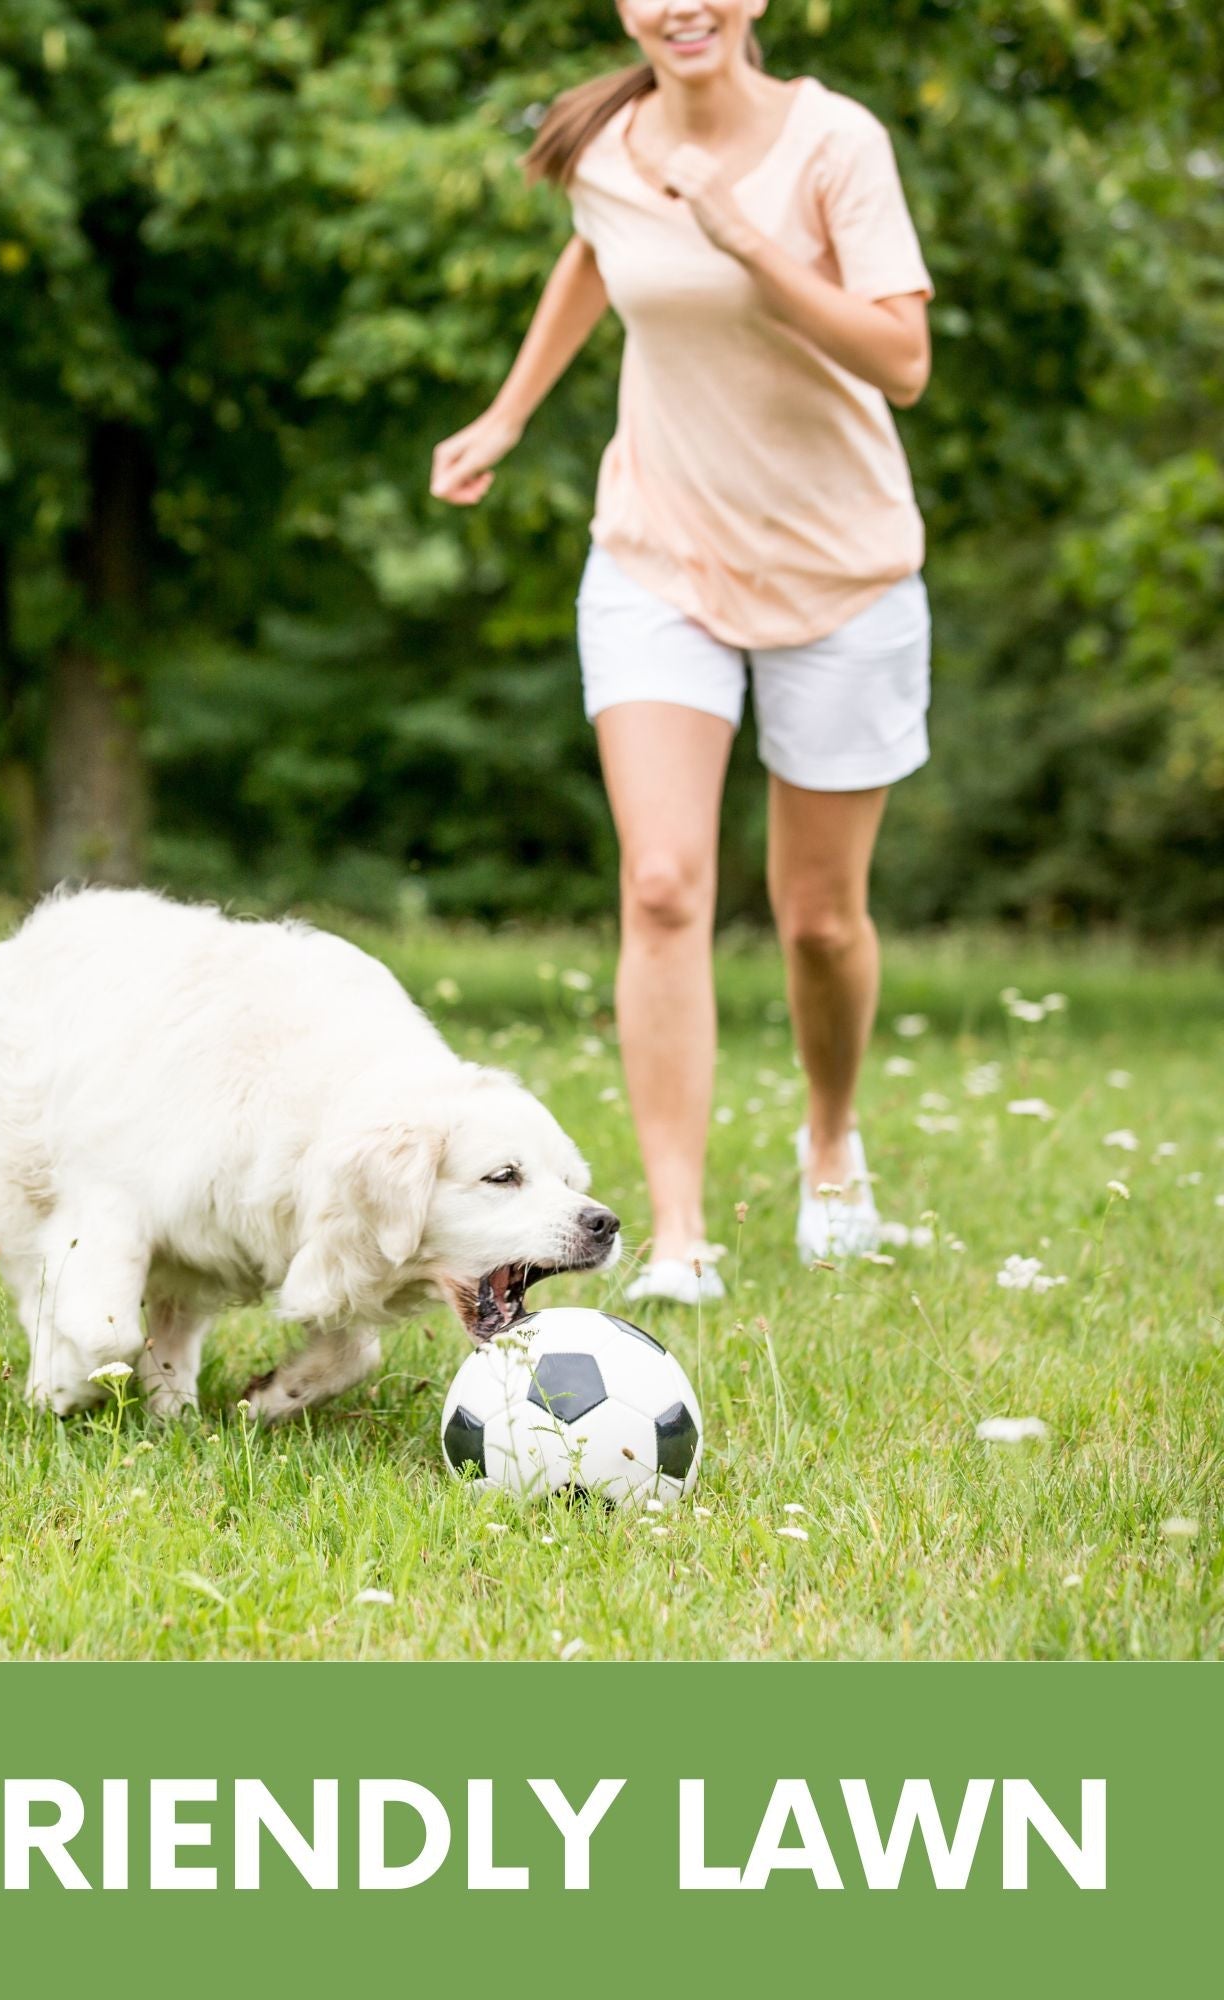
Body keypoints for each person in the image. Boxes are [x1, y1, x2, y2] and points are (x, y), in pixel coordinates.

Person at [431, 0, 934, 1305]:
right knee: (659, 884)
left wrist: (745, 238)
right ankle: (677, 1238)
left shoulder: (834, 143)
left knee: (818, 919)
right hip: (658, 557)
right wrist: (506, 414)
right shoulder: (608, 146)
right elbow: (594, 258)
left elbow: (903, 358)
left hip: (842, 569)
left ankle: (831, 1142)